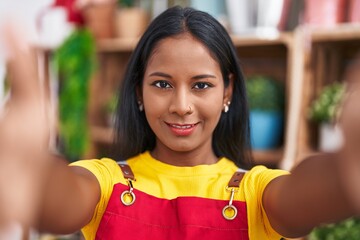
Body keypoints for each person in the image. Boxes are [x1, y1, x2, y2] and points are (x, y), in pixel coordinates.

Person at [0, 5, 359, 240]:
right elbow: (57, 198)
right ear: (139, 91)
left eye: (201, 85)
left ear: (227, 91)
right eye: (162, 84)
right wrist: (28, 168)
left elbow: (311, 192)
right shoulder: (106, 181)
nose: (182, 106)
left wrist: (347, 166)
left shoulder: (256, 191)